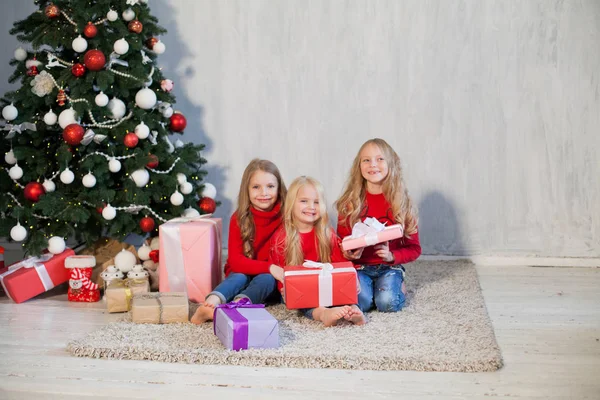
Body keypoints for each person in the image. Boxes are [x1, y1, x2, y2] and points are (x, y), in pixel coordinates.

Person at [191, 159, 287, 324]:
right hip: (244, 271)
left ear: (279, 189)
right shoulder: (240, 218)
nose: (264, 193)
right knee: (239, 277)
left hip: (270, 279)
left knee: (266, 278)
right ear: (247, 190)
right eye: (256, 187)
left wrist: (273, 271)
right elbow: (235, 262)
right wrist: (270, 267)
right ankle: (210, 304)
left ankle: (237, 307)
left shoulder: (287, 215)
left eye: (270, 186)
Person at [336, 138, 421, 313]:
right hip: (359, 267)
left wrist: (392, 256)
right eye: (366, 160)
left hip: (389, 267)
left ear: (391, 164)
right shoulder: (350, 204)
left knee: (387, 303)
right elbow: (340, 243)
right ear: (358, 167)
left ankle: (398, 285)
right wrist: (349, 253)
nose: (373, 164)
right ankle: (375, 290)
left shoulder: (402, 203)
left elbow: (414, 249)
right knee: (361, 303)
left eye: (380, 159)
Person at [269, 176, 366, 327]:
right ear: (291, 204)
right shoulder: (282, 237)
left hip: (325, 282)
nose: (311, 206)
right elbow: (279, 270)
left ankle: (352, 310)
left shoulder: (327, 232)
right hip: (300, 289)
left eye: (316, 202)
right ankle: (323, 314)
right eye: (304, 201)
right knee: (305, 300)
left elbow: (341, 262)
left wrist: (352, 278)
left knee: (343, 290)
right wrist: (284, 289)